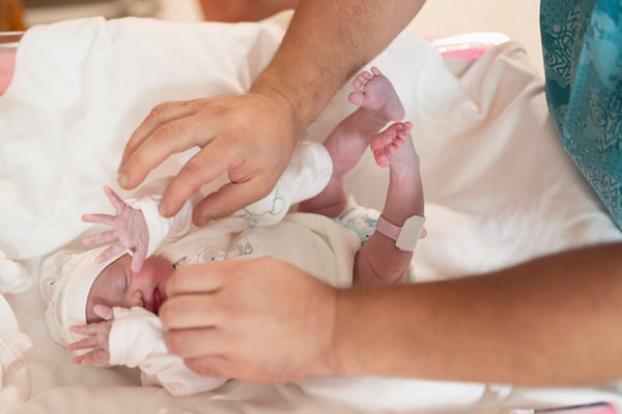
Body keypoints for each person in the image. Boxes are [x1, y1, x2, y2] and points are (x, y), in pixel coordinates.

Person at [117, 0, 622, 386]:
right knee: (323, 174)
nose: (133, 297)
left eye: (122, 291)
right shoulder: (169, 264)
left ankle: (404, 169)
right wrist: (281, 100)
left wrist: (330, 326)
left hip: (353, 277)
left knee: (376, 227)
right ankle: (376, 125)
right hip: (318, 226)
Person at [44, 68, 427, 394]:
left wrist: (144, 224)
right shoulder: (178, 342)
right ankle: (406, 176)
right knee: (388, 261)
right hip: (355, 288)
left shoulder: (174, 248)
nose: (135, 299)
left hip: (324, 223)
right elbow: (197, 375)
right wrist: (133, 339)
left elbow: (182, 209)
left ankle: (372, 117)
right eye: (121, 315)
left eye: (125, 280)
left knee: (323, 174)